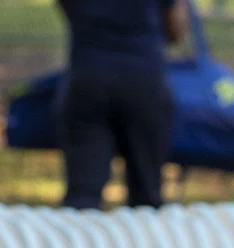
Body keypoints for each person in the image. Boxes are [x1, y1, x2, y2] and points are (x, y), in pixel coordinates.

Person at [57, 0, 183, 211]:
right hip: (143, 79)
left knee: (82, 197)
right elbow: (176, 30)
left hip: (89, 75)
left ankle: (75, 240)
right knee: (146, 197)